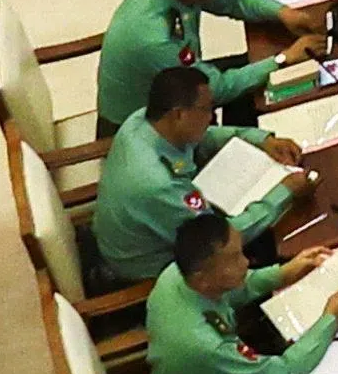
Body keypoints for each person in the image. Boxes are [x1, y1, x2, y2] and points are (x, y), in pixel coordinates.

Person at [97, 0, 326, 132]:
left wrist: (283, 13)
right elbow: (215, 89)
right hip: (145, 122)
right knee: (265, 82)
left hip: (182, 76)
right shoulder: (156, 39)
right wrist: (283, 59)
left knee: (254, 68)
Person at [138, 212, 338, 374]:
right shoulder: (206, 345)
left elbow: (235, 289)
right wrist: (331, 319)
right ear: (202, 278)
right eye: (234, 258)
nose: (246, 263)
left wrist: (282, 273)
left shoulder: (178, 274)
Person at [93, 63, 275, 283]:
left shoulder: (143, 121)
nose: (211, 117)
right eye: (206, 109)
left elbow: (203, 137)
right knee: (269, 245)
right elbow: (215, 240)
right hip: (150, 264)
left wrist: (260, 139)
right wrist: (284, 195)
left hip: (160, 222)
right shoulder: (158, 182)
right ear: (179, 114)